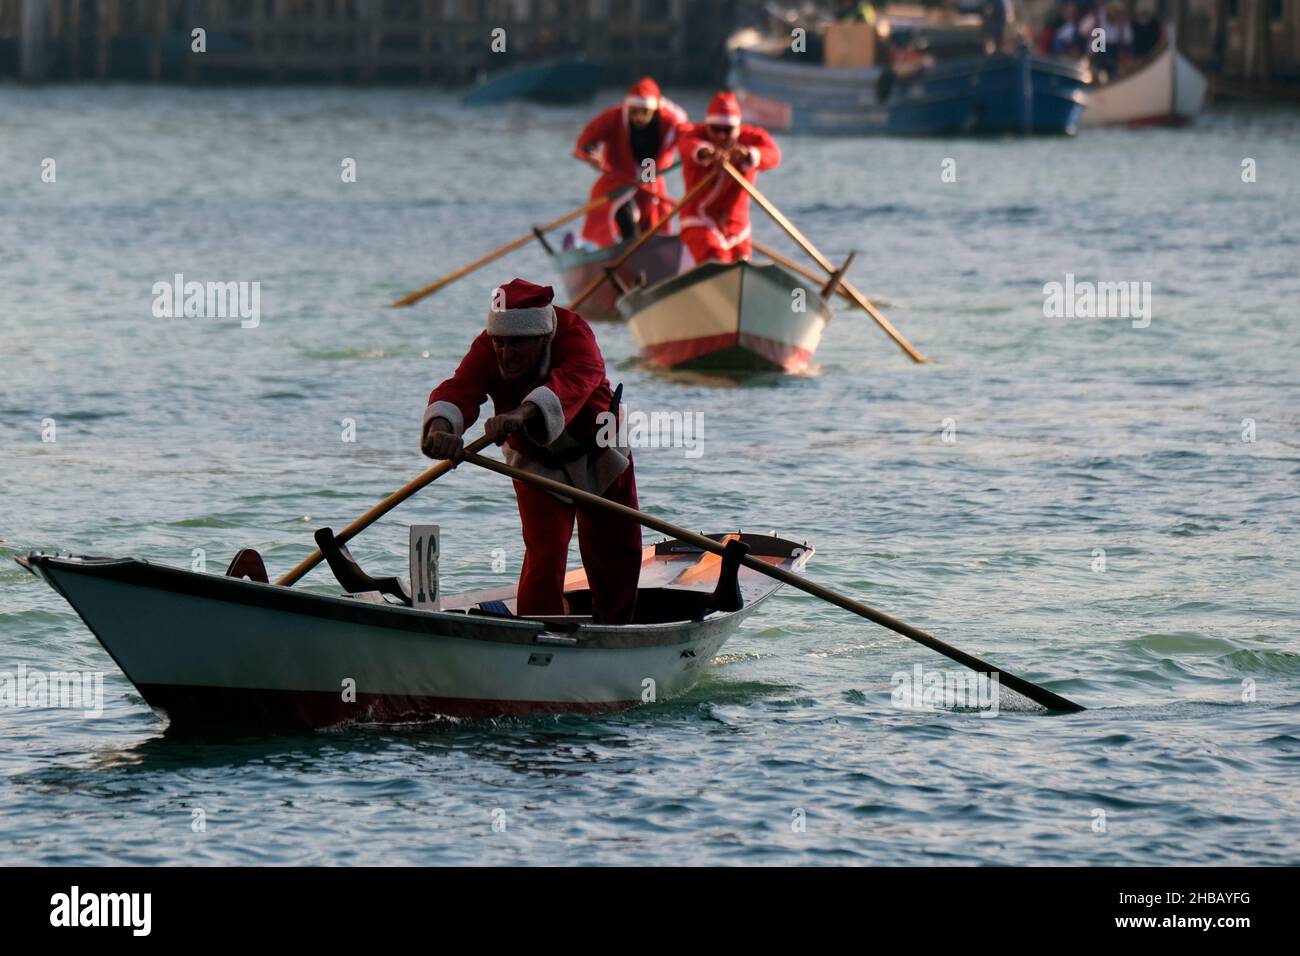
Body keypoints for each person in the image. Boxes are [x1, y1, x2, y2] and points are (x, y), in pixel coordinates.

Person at [420, 279, 641, 624]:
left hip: (601, 454)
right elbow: (461, 388)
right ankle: (537, 638)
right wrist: (440, 429)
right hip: (537, 466)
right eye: (500, 343)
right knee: (545, 556)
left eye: (517, 345)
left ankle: (617, 632)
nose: (506, 355)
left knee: (615, 554)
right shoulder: (486, 347)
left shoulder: (576, 336)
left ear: (543, 339)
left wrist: (517, 416)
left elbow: (572, 384)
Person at [574, 77, 689, 249]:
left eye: (644, 112)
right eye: (634, 112)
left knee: (652, 223)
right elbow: (586, 141)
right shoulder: (614, 117)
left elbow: (690, 138)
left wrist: (703, 152)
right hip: (618, 182)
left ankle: (646, 254)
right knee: (624, 218)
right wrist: (590, 154)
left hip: (650, 176)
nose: (639, 117)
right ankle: (629, 252)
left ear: (655, 110)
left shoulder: (670, 121)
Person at [676, 91, 781, 267]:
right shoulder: (696, 135)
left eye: (727, 130)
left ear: (737, 128)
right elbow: (687, 145)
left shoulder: (751, 138)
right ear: (707, 126)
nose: (721, 137)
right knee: (715, 255)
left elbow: (773, 155)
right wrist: (706, 152)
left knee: (742, 263)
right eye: (715, 129)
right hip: (698, 221)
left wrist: (749, 155)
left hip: (737, 226)